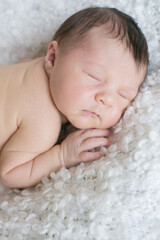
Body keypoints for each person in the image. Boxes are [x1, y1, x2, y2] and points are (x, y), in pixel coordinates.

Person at [0, 7, 149, 188]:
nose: (107, 99)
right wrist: (61, 155)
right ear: (53, 57)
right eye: (94, 76)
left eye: (123, 95)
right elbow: (10, 173)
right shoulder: (43, 120)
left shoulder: (31, 66)